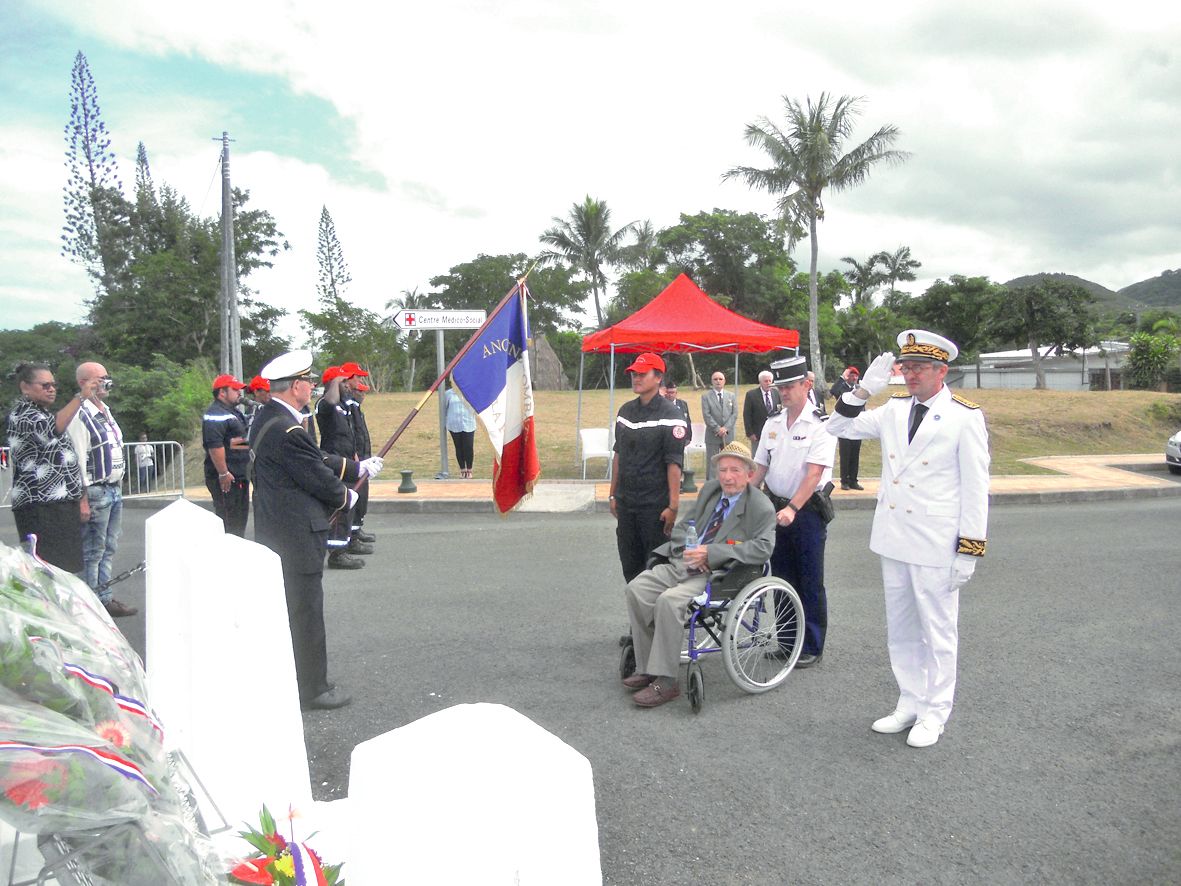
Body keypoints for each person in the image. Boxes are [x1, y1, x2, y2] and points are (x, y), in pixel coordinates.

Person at [827, 330, 990, 748]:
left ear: (942, 371)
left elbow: (975, 488)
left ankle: (935, 713)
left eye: (920, 367)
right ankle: (909, 702)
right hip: (895, 536)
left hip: (936, 541)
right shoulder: (894, 410)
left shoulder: (964, 416)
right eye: (907, 366)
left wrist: (969, 551)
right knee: (900, 628)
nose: (910, 374)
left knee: (937, 630)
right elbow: (838, 425)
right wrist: (864, 390)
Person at [248, 350, 383, 710]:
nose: (311, 385)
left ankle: (293, 678)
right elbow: (314, 474)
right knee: (305, 613)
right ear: (296, 387)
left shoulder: (270, 418)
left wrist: (356, 469)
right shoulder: (288, 429)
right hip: (296, 534)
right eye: (307, 380)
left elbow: (317, 458)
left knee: (290, 609)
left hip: (277, 528)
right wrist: (347, 497)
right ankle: (314, 688)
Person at [623, 441, 776, 707]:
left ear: (749, 474)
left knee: (669, 601)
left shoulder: (760, 506)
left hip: (715, 575)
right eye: (723, 470)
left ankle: (667, 681)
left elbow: (763, 548)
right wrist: (689, 549)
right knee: (637, 590)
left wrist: (712, 553)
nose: (727, 476)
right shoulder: (710, 491)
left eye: (735, 470)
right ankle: (648, 665)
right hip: (684, 562)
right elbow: (684, 526)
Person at [751, 356, 835, 668]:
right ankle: (787, 641)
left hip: (806, 510)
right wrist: (740, 498)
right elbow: (760, 467)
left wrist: (792, 508)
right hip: (775, 507)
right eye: (780, 387)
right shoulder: (772, 422)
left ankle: (811, 644)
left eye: (789, 386)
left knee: (809, 577)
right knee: (782, 575)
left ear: (806, 385)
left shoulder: (820, 425)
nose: (783, 392)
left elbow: (814, 474)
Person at [608, 353, 687, 585]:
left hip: (654, 506)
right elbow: (618, 454)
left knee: (654, 570)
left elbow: (674, 463)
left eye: (642, 374)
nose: (636, 378)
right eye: (634, 373)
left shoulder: (671, 415)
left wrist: (673, 505)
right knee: (630, 568)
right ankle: (638, 621)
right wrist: (613, 493)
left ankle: (655, 621)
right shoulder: (625, 412)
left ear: (658, 377)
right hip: (626, 503)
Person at [67, 361, 137, 618]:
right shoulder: (80, 414)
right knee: (93, 550)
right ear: (83, 383)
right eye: (98, 379)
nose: (105, 382)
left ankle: (103, 597)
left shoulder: (104, 410)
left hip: (113, 489)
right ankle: (89, 605)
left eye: (106, 377)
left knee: (108, 546)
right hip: (95, 491)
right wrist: (82, 499)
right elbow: (75, 459)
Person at [5, 363, 90, 573]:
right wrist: (80, 397)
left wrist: (81, 497)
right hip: (40, 505)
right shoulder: (22, 414)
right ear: (25, 387)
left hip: (60, 503)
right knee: (49, 570)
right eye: (45, 385)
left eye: (53, 385)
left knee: (66, 569)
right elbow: (52, 429)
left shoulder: (42, 413)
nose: (51, 389)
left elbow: (68, 460)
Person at [316, 366, 367, 567]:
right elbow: (329, 401)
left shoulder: (343, 405)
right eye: (343, 382)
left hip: (347, 457)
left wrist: (355, 454)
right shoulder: (325, 404)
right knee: (340, 503)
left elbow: (349, 432)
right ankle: (336, 553)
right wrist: (336, 382)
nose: (347, 385)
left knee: (350, 505)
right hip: (335, 459)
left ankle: (344, 546)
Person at [202, 373, 251, 536]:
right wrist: (223, 473)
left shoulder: (232, 412)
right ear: (222, 392)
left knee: (239, 521)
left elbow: (232, 442)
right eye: (235, 389)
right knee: (230, 523)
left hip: (238, 474)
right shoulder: (216, 413)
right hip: (227, 477)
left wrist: (244, 443)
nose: (239, 393)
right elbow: (215, 446)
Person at [340, 362, 379, 546]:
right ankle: (350, 536)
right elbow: (349, 433)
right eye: (357, 377)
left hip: (361, 455)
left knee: (362, 496)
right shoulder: (343, 403)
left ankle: (356, 529)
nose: (360, 381)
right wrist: (355, 453)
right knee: (353, 496)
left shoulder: (353, 406)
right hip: (350, 457)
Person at [828, 366, 864, 490]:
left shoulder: (859, 389)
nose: (854, 378)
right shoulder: (842, 388)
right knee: (845, 454)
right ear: (847, 377)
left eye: (856, 376)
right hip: (843, 426)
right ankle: (844, 481)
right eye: (851, 375)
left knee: (855, 454)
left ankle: (853, 480)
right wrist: (841, 378)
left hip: (857, 425)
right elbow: (833, 391)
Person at [701, 371, 737, 480]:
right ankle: (712, 486)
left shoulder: (731, 396)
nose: (718, 381)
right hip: (713, 435)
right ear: (712, 381)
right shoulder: (706, 397)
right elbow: (706, 415)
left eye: (720, 379)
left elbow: (734, 414)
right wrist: (718, 429)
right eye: (715, 379)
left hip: (728, 435)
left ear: (724, 381)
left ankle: (728, 481)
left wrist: (726, 428)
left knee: (729, 461)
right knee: (712, 462)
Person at [444, 382, 477, 479]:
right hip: (454, 423)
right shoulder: (448, 394)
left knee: (468, 447)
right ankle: (462, 469)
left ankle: (469, 469)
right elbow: (444, 409)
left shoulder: (470, 392)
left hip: (468, 422)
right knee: (458, 447)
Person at [742, 370, 781, 450]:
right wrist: (750, 433)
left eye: (770, 381)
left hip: (773, 433)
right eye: (765, 381)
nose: (768, 383)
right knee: (757, 458)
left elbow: (779, 411)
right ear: (760, 382)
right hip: (757, 434)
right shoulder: (751, 395)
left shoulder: (776, 393)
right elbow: (747, 415)